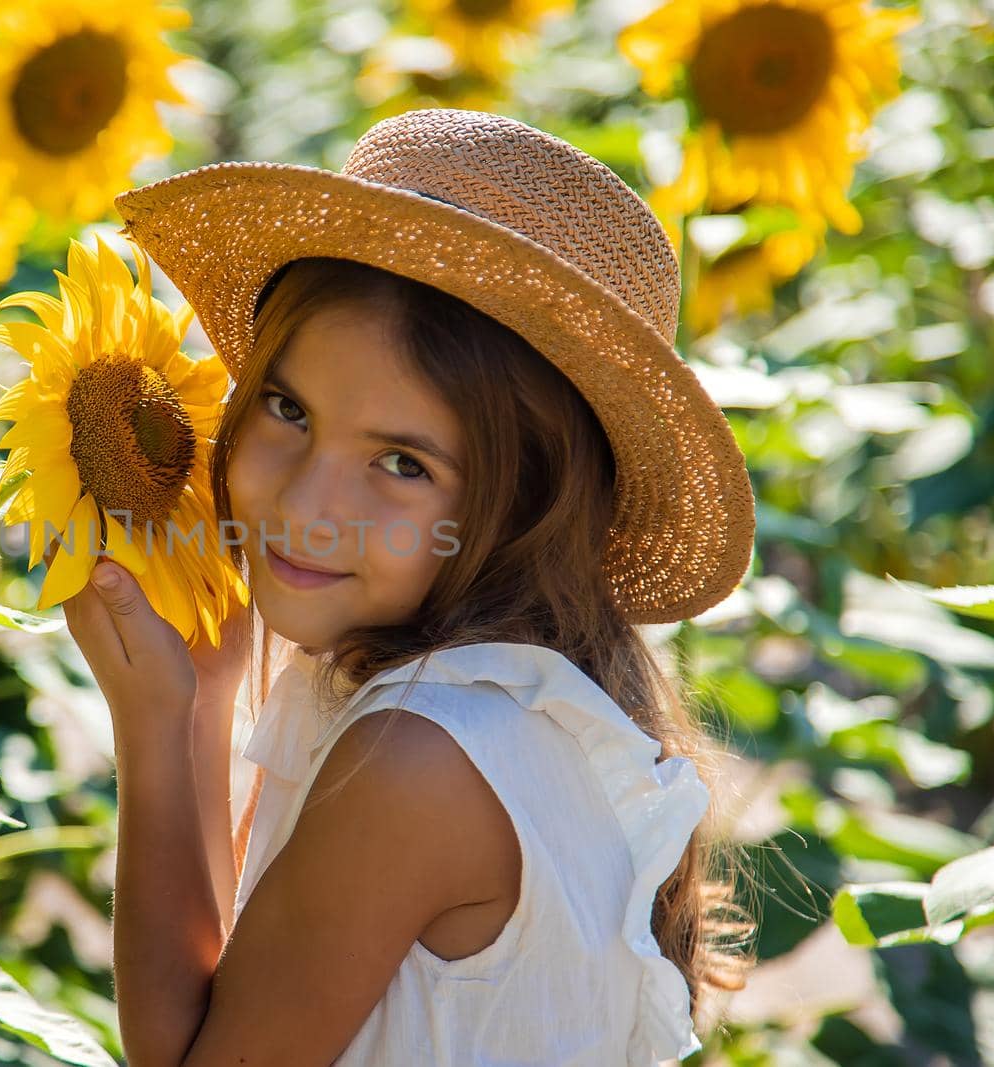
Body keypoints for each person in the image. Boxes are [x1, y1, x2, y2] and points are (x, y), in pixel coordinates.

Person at [59, 109, 758, 1066]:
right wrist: (208, 695)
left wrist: (150, 727)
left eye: (401, 461)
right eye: (287, 407)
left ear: (527, 505)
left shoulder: (421, 755)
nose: (308, 503)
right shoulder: (507, 698)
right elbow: (245, 997)